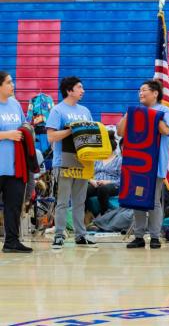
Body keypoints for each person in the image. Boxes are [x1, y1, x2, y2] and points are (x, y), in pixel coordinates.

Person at [117, 79, 169, 250]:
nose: (140, 93)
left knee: (154, 201)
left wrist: (151, 116)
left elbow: (167, 131)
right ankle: (139, 236)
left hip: (155, 164)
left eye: (144, 90)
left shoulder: (164, 110)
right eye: (139, 91)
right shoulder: (135, 111)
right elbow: (120, 132)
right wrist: (129, 115)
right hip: (137, 164)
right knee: (137, 199)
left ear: (155, 93)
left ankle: (155, 236)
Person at [47, 76, 97, 249]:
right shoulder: (57, 111)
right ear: (69, 90)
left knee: (79, 201)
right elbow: (51, 137)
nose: (83, 90)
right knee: (62, 201)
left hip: (82, 162)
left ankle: (80, 235)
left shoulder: (85, 110)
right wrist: (70, 130)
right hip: (64, 162)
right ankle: (59, 235)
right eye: (79, 87)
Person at [0, 71, 33, 253]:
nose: (13, 85)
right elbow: (11, 133)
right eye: (8, 82)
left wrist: (27, 129)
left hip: (14, 168)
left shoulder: (15, 104)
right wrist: (7, 135)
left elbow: (24, 125)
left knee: (13, 207)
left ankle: (11, 242)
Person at [85, 130, 121, 216]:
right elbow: (88, 174)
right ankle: (85, 215)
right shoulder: (97, 159)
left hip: (113, 184)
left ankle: (103, 216)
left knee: (103, 189)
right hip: (96, 183)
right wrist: (91, 181)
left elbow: (122, 180)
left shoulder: (119, 160)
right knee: (83, 189)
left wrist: (107, 182)